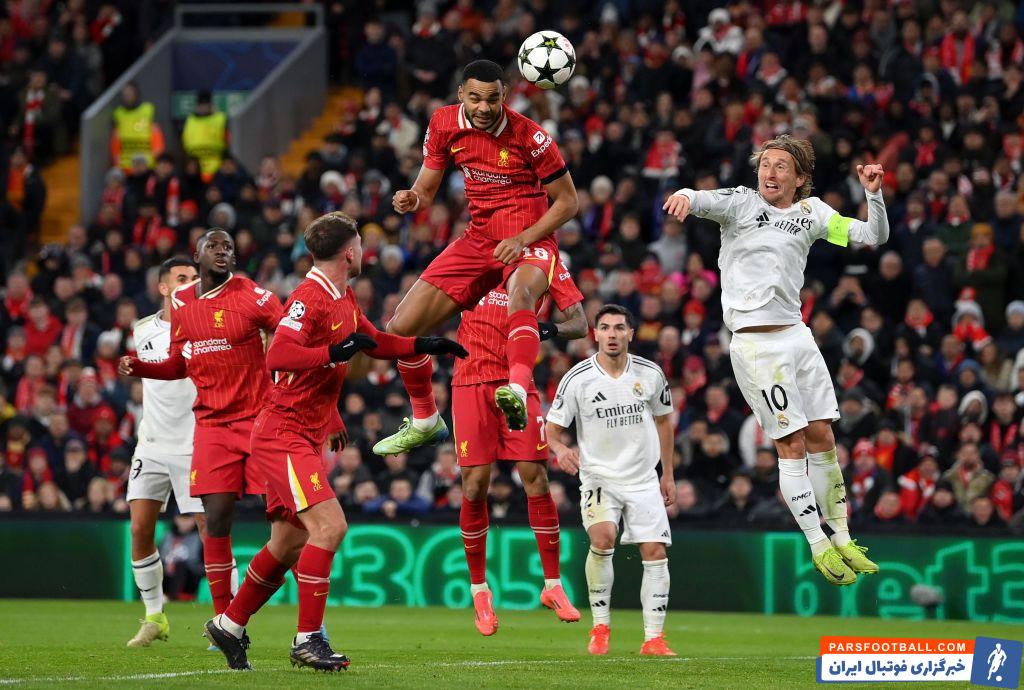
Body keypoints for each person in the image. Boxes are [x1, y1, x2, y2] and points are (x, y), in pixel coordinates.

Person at [203, 212, 465, 671]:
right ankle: (308, 639)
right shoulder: (309, 296)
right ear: (349, 250)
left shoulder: (339, 295)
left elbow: (374, 341)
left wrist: (426, 344)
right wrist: (332, 353)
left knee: (286, 544)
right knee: (330, 528)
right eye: (361, 243)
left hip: (301, 432)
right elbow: (278, 354)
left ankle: (228, 626)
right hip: (284, 434)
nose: (363, 250)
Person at [663, 135, 888, 586]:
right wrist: (683, 197)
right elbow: (699, 196)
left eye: (782, 166)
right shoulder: (741, 204)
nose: (770, 172)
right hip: (755, 345)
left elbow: (872, 237)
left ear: (800, 178)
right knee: (792, 444)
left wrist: (873, 193)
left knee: (823, 433)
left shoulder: (813, 214)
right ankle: (818, 544)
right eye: (766, 164)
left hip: (797, 336)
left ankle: (842, 535)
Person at [373, 59, 578, 456]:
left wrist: (523, 239)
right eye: (475, 98)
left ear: (505, 96)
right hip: (478, 239)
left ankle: (515, 387)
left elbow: (568, 202)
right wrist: (413, 198)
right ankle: (426, 420)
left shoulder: (531, 137)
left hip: (529, 238)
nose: (484, 107)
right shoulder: (444, 123)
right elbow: (427, 188)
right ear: (460, 95)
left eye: (492, 99)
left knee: (520, 294)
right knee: (398, 331)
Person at [119, 229, 283, 620]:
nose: (223, 252)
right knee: (214, 522)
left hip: (258, 420)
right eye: (214, 246)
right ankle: (222, 622)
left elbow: (288, 331)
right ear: (198, 256)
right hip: (207, 426)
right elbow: (178, 363)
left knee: (287, 522)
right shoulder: (179, 306)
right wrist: (139, 366)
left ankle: (311, 622)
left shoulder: (252, 295)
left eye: (229, 246)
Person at [454, 259, 587, 635]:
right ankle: (480, 590)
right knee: (475, 484)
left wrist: (546, 328)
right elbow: (437, 298)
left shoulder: (547, 264)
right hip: (470, 381)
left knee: (535, 477)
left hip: (519, 381)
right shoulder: (475, 254)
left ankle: (553, 585)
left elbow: (579, 323)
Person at [546, 305, 677, 657]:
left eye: (620, 327)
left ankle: (654, 639)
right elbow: (552, 429)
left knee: (655, 551)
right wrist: (559, 449)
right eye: (605, 328)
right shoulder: (577, 378)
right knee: (603, 538)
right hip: (599, 476)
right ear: (596, 334)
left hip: (643, 478)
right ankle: (600, 627)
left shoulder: (650, 374)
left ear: (631, 333)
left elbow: (665, 423)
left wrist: (668, 474)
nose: (613, 334)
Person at [125, 256, 219, 648]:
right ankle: (154, 617)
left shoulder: (208, 327)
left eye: (195, 278)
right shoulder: (142, 328)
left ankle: (225, 624)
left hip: (194, 444)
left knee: (209, 533)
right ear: (164, 287)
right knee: (140, 529)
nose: (190, 283)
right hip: (151, 443)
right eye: (182, 278)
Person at [110, 81, 164, 172]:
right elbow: (115, 140)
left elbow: (157, 138)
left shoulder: (148, 110)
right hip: (125, 167)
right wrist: (117, 164)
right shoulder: (118, 113)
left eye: (130, 93)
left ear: (136, 93)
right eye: (125, 94)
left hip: (147, 166)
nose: (128, 96)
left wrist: (157, 160)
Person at [181, 89, 228, 183]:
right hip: (194, 168)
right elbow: (184, 143)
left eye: (206, 104)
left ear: (211, 105)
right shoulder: (189, 121)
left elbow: (228, 142)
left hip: (216, 168)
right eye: (201, 105)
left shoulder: (220, 119)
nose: (203, 107)